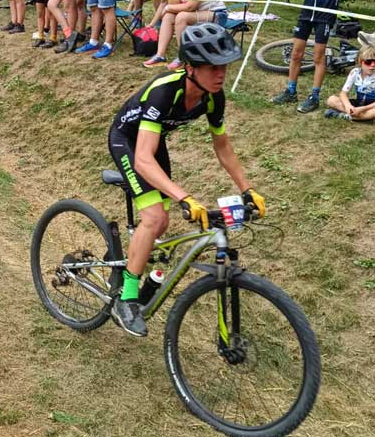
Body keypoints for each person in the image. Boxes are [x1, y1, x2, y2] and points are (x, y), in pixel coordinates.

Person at [107, 23, 265, 335]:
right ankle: (126, 298)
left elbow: (222, 146)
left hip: (154, 141)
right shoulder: (165, 91)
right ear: (190, 67)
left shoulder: (212, 97)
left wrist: (247, 189)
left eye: (224, 67)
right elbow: (142, 158)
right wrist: (184, 197)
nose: (221, 74)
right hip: (127, 140)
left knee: (161, 224)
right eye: (213, 67)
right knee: (154, 217)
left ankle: (127, 262)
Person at [272, 0, 352, 113]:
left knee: (318, 56)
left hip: (325, 14)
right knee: (296, 53)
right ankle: (291, 91)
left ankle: (314, 96)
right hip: (307, 12)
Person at [324, 36, 375, 121]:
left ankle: (345, 116)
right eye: (368, 62)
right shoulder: (355, 72)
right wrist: (348, 106)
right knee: (331, 100)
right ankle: (360, 116)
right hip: (358, 104)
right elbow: (343, 93)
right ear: (360, 62)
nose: (372, 65)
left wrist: (362, 109)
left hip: (371, 106)